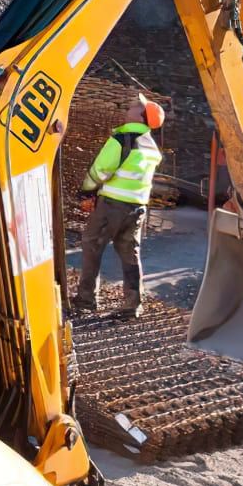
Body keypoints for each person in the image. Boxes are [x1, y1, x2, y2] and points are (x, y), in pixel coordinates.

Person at [73, 96, 164, 320]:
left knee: (92, 245)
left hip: (112, 205)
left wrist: (86, 189)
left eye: (135, 107)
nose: (129, 107)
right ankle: (133, 305)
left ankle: (86, 299)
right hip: (137, 208)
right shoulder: (151, 145)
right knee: (130, 254)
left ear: (140, 117)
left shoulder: (122, 139)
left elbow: (101, 169)